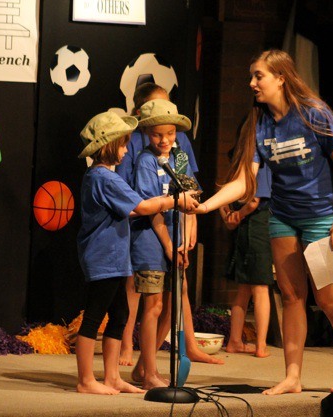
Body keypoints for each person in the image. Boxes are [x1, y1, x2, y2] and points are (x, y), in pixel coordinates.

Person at [192, 49, 333, 394]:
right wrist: (207, 207)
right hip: (282, 216)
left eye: (259, 76)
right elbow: (244, 181)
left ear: (281, 78)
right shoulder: (259, 122)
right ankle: (292, 377)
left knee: (327, 299)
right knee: (291, 297)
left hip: (319, 216)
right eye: (251, 77)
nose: (252, 83)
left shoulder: (313, 113)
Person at [75, 111, 197, 395]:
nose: (127, 149)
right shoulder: (103, 177)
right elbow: (141, 207)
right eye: (122, 144)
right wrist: (174, 200)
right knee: (94, 317)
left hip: (116, 259)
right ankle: (85, 380)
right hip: (103, 258)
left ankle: (113, 377)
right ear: (108, 146)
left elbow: (130, 208)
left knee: (119, 315)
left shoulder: (105, 177)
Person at [116, 83, 224, 369]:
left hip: (175, 235)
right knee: (145, 295)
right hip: (151, 234)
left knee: (173, 297)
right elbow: (152, 207)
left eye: (170, 133)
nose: (165, 140)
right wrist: (168, 243)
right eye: (158, 134)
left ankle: (145, 364)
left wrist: (189, 229)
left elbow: (190, 193)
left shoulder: (180, 154)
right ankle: (136, 353)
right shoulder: (143, 159)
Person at [220, 157, 273, 358]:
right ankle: (261, 345)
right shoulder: (261, 164)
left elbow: (223, 195)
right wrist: (238, 215)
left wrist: (230, 216)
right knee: (260, 288)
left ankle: (234, 341)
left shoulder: (237, 164)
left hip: (244, 230)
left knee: (243, 288)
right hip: (257, 227)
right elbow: (253, 202)